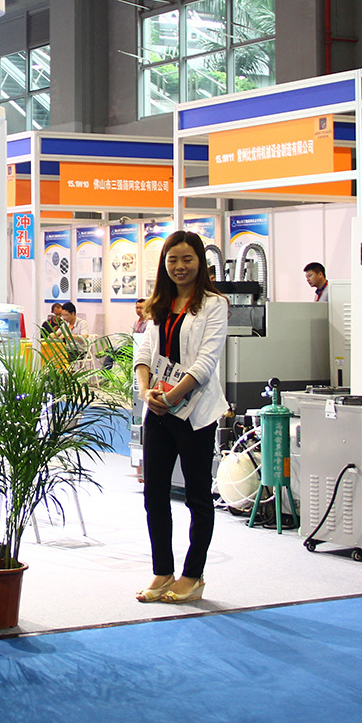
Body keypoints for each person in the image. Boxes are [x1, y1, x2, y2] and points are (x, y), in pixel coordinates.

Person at [132, 231, 228, 605]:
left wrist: (172, 396)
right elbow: (144, 351)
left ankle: (192, 575)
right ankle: (163, 571)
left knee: (197, 496)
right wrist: (147, 392)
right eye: (172, 259)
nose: (179, 266)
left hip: (194, 413)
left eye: (187, 259)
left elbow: (206, 361)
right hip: (157, 410)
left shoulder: (214, 305)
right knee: (154, 494)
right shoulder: (159, 303)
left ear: (200, 262)